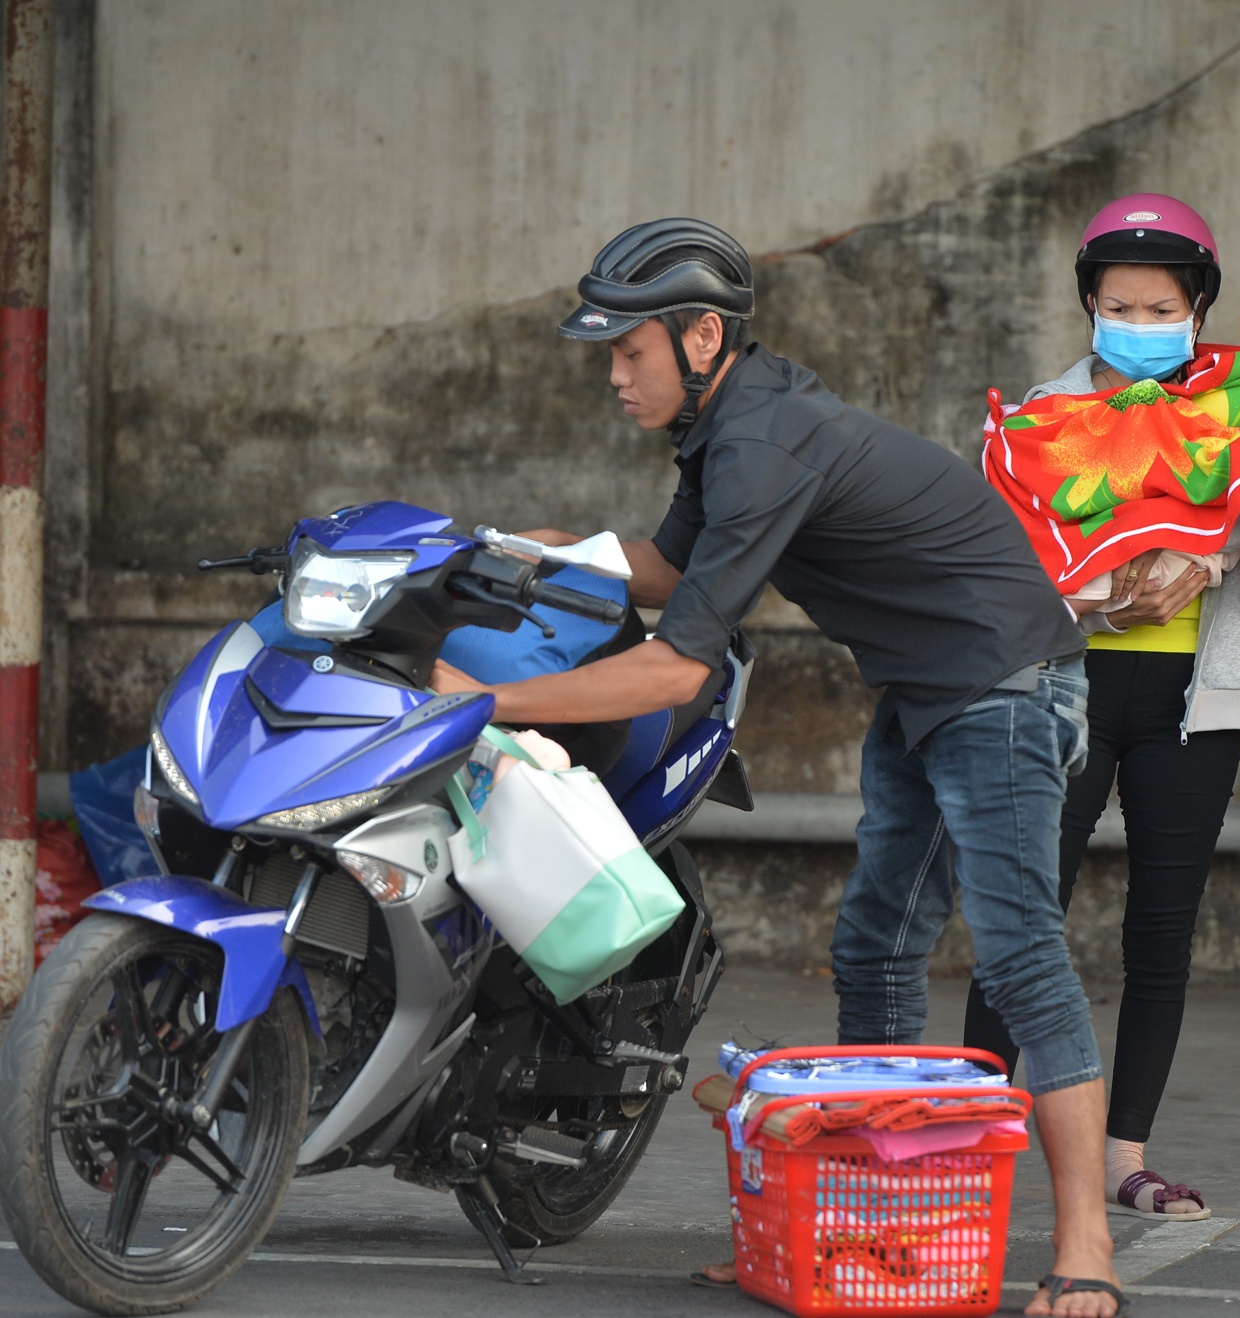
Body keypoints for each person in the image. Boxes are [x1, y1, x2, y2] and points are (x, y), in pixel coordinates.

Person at [430, 218, 1125, 1318]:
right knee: (875, 943)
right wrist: (533, 552)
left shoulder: (760, 441)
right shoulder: (728, 425)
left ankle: (1088, 1243)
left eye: (630, 351)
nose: (614, 375)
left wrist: (485, 702)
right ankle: (863, 1222)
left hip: (1004, 687)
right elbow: (670, 569)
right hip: (928, 687)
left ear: (702, 336)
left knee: (1019, 952)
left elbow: (675, 668)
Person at [966, 195, 1240, 1221]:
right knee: (1022, 913)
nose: (1140, 323)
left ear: (1197, 307)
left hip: (1193, 699)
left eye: (1162, 309)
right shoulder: (1040, 416)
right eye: (1119, 306)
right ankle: (973, 1136)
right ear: (1089, 302)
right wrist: (1099, 592)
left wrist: (1203, 559)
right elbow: (1008, 547)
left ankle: (1125, 1155)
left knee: (1163, 928)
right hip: (1065, 687)